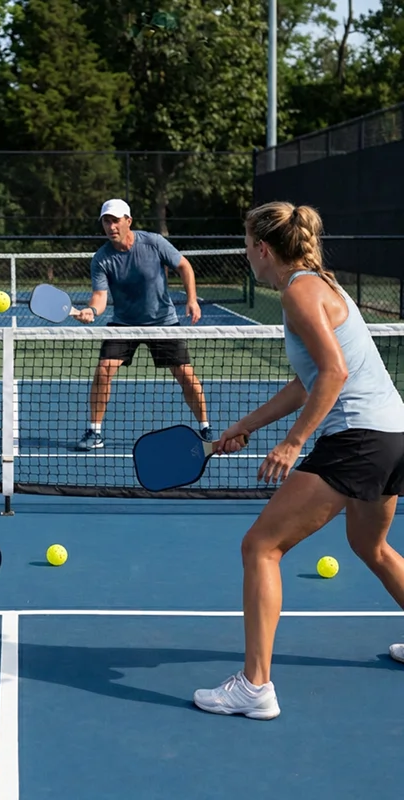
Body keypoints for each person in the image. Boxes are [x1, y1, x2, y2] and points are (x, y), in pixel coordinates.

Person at [193, 202, 404, 720]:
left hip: (357, 439)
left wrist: (293, 443)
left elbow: (334, 373)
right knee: (370, 546)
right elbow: (308, 380)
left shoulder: (297, 293)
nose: (247, 255)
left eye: (248, 246)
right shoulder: (322, 285)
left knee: (261, 547)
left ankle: (254, 687)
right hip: (392, 434)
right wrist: (247, 425)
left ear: (263, 249)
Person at [75, 199, 211, 451]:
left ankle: (205, 427)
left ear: (128, 221)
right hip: (124, 323)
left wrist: (192, 299)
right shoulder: (101, 259)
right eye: (106, 221)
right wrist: (91, 310)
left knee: (185, 374)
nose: (111, 226)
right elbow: (100, 296)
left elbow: (184, 266)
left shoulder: (153, 242)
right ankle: (95, 432)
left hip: (163, 322)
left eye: (116, 221)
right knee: (104, 370)